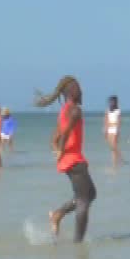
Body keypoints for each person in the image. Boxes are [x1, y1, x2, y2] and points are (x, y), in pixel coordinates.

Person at [34, 76, 97, 243]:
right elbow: (66, 133)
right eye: (78, 89)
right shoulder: (75, 110)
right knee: (84, 201)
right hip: (74, 161)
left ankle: (58, 214)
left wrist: (57, 150)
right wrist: (61, 150)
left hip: (69, 159)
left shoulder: (65, 110)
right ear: (72, 93)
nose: (81, 92)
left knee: (91, 194)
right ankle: (78, 244)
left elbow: (54, 137)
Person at [104, 95, 122, 167]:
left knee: (114, 147)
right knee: (112, 147)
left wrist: (117, 130)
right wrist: (105, 130)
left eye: (113, 101)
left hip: (115, 129)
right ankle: (121, 159)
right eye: (110, 101)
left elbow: (119, 121)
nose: (111, 102)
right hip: (109, 129)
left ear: (115, 102)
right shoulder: (107, 110)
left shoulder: (118, 111)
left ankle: (115, 164)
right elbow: (106, 121)